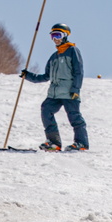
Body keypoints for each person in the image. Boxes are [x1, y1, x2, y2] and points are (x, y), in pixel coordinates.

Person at [23, 22, 87, 151]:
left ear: (65, 36)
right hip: (54, 93)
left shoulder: (73, 51)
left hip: (69, 92)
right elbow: (46, 76)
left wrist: (76, 89)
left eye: (58, 35)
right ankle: (54, 142)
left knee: (74, 117)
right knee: (46, 110)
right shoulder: (53, 57)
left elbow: (78, 71)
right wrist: (28, 76)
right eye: (52, 36)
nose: (55, 39)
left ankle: (82, 143)